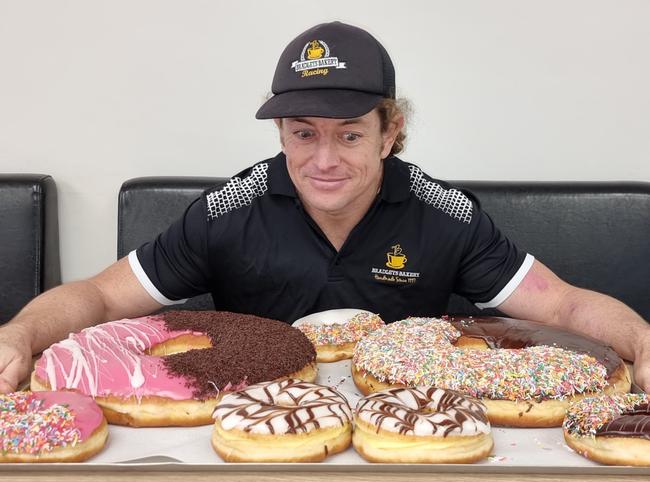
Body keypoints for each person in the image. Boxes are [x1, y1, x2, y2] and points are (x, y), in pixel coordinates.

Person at [1, 21, 649, 394]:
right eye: (304, 132)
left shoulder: (445, 214)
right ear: (281, 131)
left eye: (349, 133)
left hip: (411, 440)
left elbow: (562, 305)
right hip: (248, 438)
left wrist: (643, 342)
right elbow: (102, 297)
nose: (324, 159)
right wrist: (20, 335)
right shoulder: (229, 209)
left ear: (389, 130)